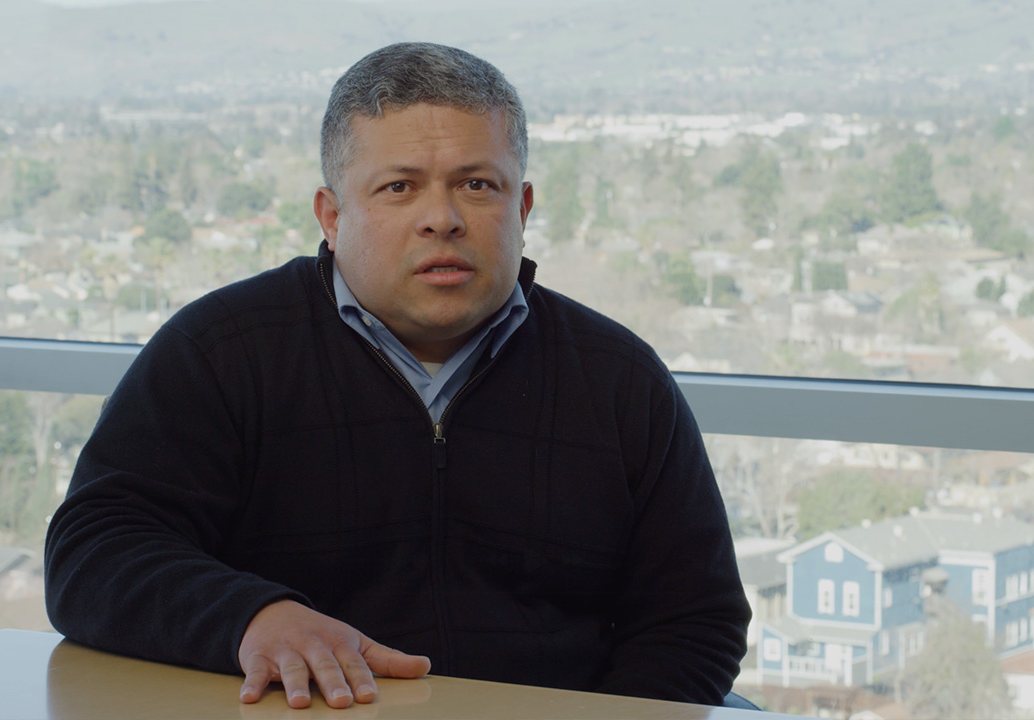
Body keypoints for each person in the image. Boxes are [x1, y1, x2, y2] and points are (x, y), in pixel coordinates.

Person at [44, 42, 750, 711]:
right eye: (398, 187)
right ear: (331, 216)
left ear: (523, 208)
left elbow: (694, 620)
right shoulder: (221, 352)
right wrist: (252, 616)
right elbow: (95, 554)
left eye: (477, 185)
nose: (441, 219)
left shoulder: (620, 379)